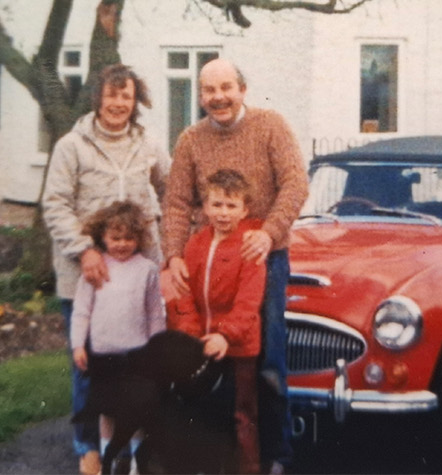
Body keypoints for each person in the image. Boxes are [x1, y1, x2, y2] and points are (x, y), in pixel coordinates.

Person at [160, 58, 309, 474]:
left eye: (226, 87)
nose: (218, 97)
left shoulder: (270, 126)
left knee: (267, 358)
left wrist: (270, 232)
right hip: (208, 258)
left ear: (242, 89)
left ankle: (275, 455)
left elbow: (296, 182)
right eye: (209, 90)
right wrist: (173, 255)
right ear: (201, 96)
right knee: (205, 353)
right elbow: (175, 202)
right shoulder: (190, 140)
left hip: (264, 256)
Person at [43, 63, 172, 475]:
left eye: (126, 96)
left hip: (137, 278)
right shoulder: (71, 145)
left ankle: (138, 445)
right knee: (89, 367)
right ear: (98, 97)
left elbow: (172, 193)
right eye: (112, 94)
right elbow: (55, 204)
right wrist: (84, 250)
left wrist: (169, 251)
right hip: (87, 275)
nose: (118, 103)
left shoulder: (149, 143)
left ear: (136, 101)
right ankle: (89, 447)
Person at [165, 169, 267, 474]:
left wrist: (226, 335)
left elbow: (249, 302)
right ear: (205, 208)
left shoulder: (248, 246)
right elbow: (183, 295)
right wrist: (192, 336)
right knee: (202, 413)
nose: (224, 213)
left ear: (245, 210)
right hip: (201, 346)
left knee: (241, 416)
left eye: (232, 206)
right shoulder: (195, 244)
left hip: (237, 349)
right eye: (217, 205)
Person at [68, 201, 166, 473]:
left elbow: (155, 313)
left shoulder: (146, 269)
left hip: (137, 354)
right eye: (115, 238)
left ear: (139, 238)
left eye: (129, 238)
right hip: (103, 354)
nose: (122, 244)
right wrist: (78, 345)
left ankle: (137, 462)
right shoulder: (96, 269)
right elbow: (81, 312)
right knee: (107, 410)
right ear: (103, 237)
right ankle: (107, 459)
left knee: (135, 411)